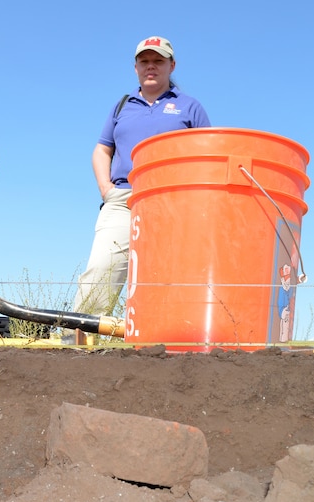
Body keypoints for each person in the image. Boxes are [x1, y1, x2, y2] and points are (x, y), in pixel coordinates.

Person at [72, 36, 210, 316]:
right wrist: (105, 187)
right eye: (144, 61)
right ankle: (83, 341)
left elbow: (206, 155)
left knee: (167, 272)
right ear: (135, 67)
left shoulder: (190, 106)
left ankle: (164, 340)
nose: (151, 66)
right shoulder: (122, 105)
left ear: (172, 66)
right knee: (102, 267)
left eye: (158, 61)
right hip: (123, 199)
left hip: (172, 200)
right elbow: (102, 149)